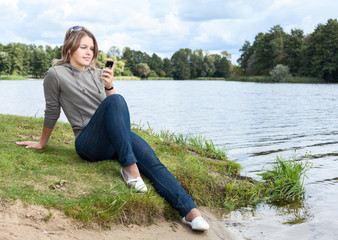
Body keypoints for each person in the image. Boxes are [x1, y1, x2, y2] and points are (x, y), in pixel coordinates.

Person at [16, 26, 209, 231]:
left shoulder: (100, 73)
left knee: (153, 163)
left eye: (92, 48)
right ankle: (130, 169)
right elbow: (52, 110)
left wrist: (108, 86)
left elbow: (115, 110)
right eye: (83, 47)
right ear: (70, 48)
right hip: (88, 142)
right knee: (116, 101)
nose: (89, 52)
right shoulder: (55, 74)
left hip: (113, 137)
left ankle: (191, 213)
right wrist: (41, 142)